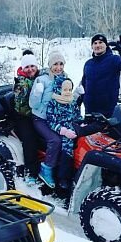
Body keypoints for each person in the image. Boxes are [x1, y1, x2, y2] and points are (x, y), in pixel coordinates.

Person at [29, 50, 84, 188]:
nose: (58, 67)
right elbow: (33, 104)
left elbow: (67, 99)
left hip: (58, 118)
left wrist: (76, 95)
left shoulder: (65, 79)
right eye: (55, 64)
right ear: (49, 65)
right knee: (55, 140)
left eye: (61, 64)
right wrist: (37, 92)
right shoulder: (42, 80)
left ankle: (66, 171)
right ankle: (46, 170)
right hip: (41, 118)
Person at [81, 34, 121, 118]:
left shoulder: (114, 59)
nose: (98, 45)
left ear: (106, 45)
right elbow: (84, 83)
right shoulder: (88, 63)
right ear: (92, 46)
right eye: (95, 43)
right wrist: (84, 97)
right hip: (90, 109)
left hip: (108, 109)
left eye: (101, 42)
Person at [46, 77, 83, 190]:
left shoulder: (72, 102)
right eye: (65, 89)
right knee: (67, 146)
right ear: (58, 89)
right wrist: (63, 131)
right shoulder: (53, 103)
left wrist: (81, 124)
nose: (67, 92)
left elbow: (78, 116)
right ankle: (63, 177)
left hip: (73, 129)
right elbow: (50, 121)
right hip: (61, 130)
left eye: (69, 89)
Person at [12, 52, 41, 185]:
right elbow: (20, 100)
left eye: (32, 66)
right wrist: (22, 87)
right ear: (22, 68)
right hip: (24, 116)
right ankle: (31, 171)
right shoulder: (21, 82)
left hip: (39, 114)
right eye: (27, 67)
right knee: (30, 140)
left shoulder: (41, 77)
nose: (30, 69)